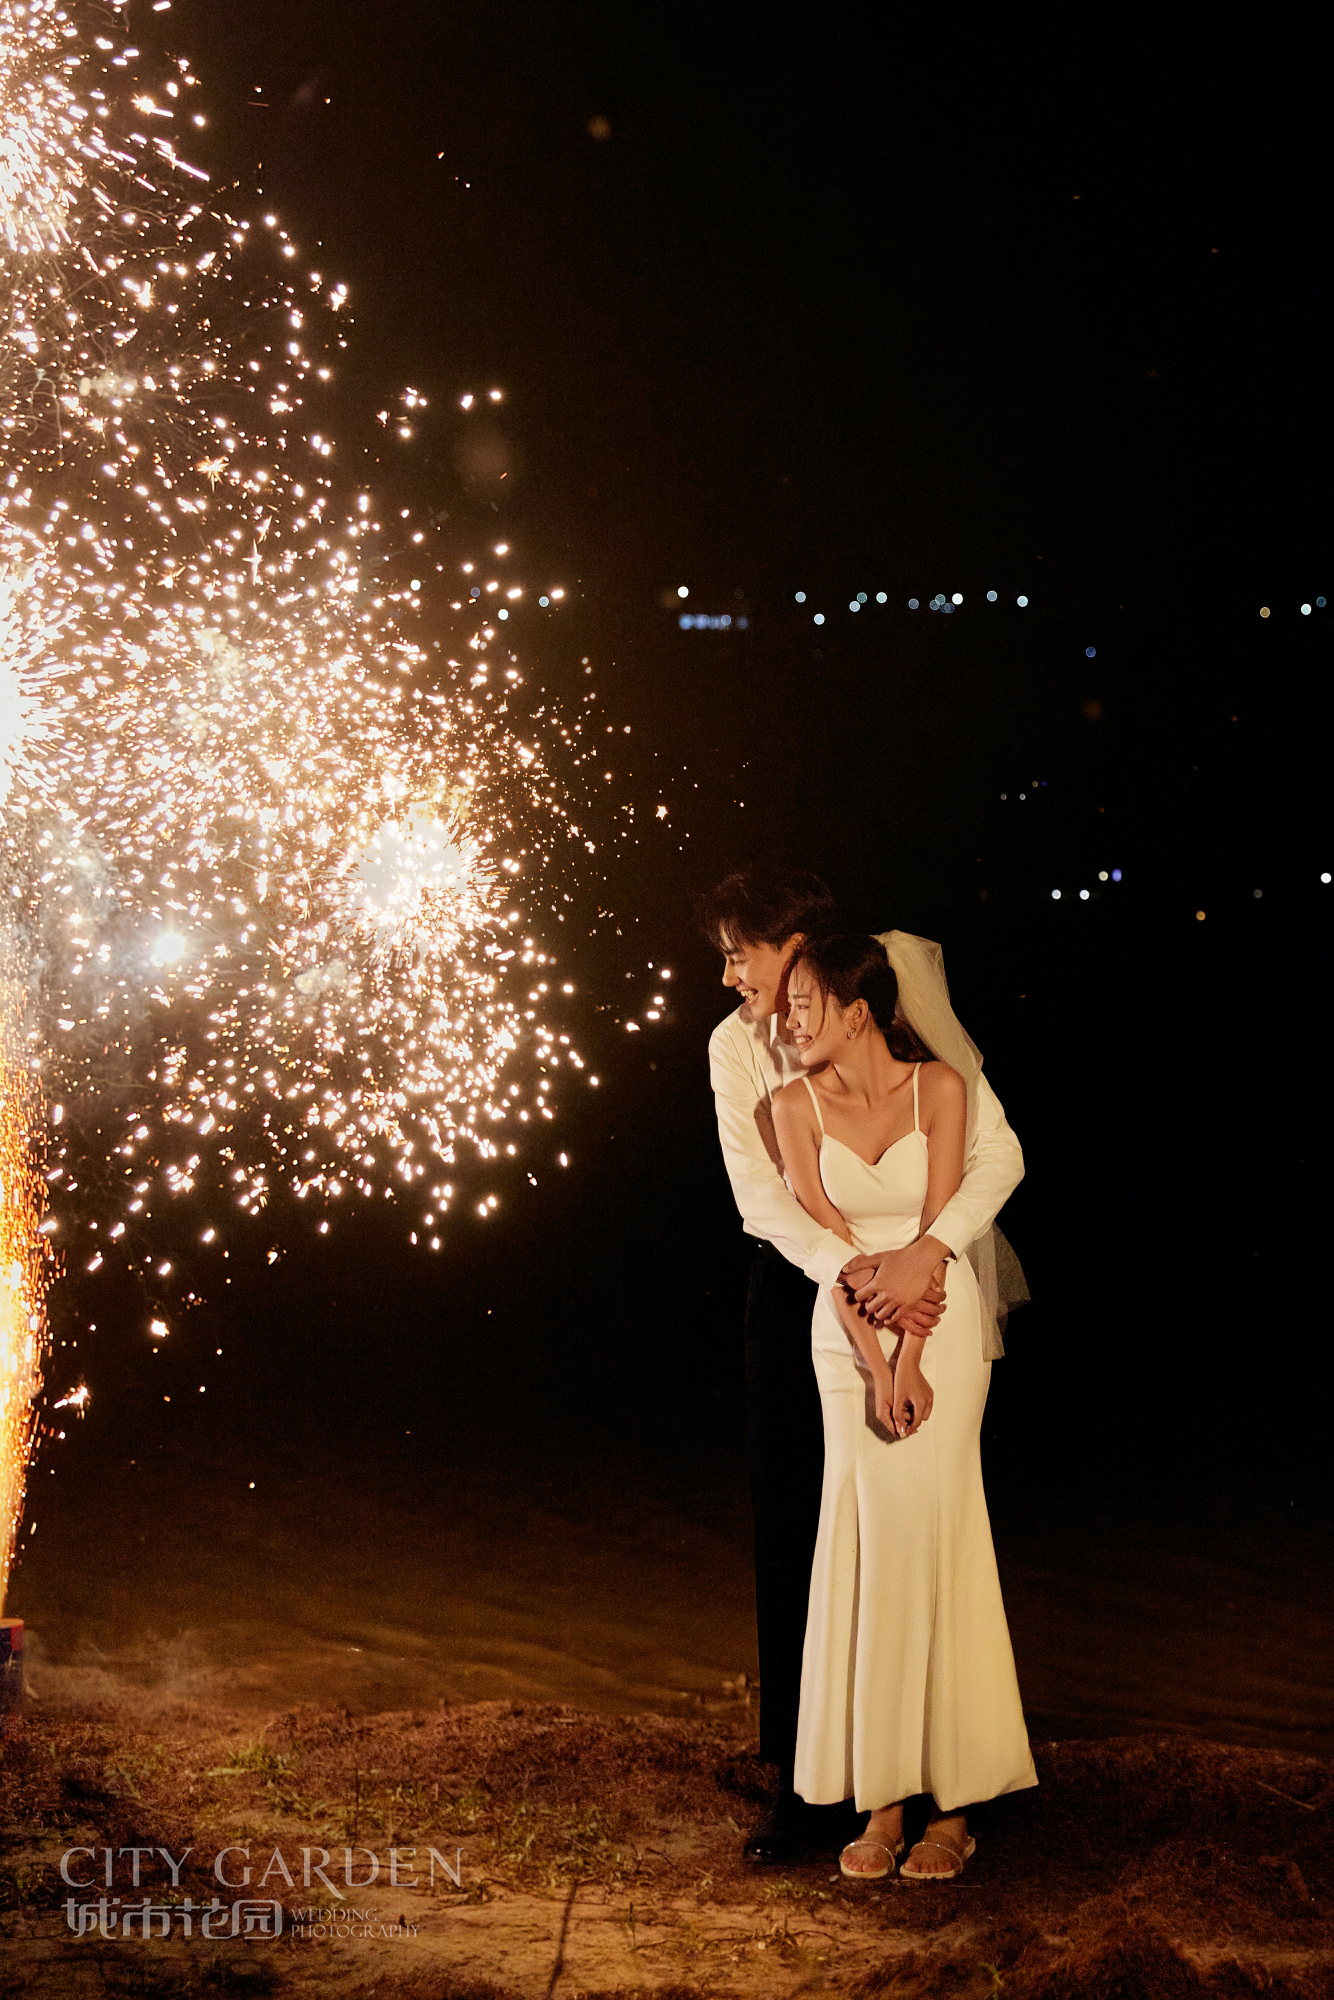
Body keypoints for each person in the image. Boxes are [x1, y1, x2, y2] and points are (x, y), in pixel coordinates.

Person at [703, 866, 1025, 1861]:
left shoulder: (895, 1026)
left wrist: (923, 1259)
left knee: (923, 1526)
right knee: (800, 1526)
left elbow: (996, 1153)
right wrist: (853, 1275)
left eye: (740, 954)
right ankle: (812, 1781)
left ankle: (942, 1780)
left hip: (923, 1287)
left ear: (797, 950)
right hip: (802, 1282)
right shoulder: (735, 1050)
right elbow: (760, 1197)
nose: (730, 977)